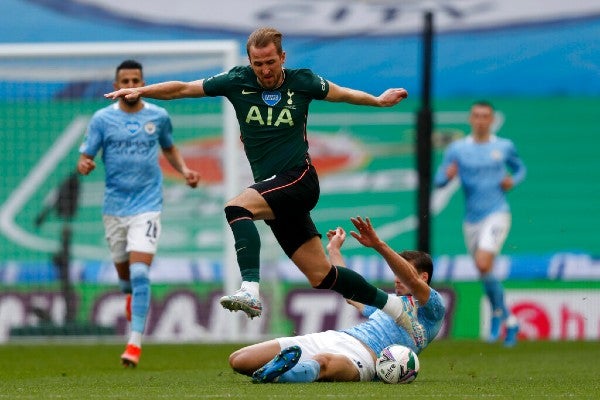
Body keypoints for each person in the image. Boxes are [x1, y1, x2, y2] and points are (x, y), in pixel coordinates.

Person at [104, 27, 412, 326]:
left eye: (270, 62)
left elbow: (342, 94)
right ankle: (394, 306)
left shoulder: (302, 81)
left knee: (237, 207)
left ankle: (250, 289)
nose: (264, 70)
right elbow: (184, 88)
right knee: (322, 275)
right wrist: (142, 91)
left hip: (299, 178)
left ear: (282, 57)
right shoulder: (237, 80)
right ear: (250, 61)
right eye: (258, 64)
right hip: (275, 192)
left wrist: (377, 100)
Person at [78, 59, 200, 367]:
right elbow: (86, 156)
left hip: (147, 206)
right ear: (117, 85)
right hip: (114, 208)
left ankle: (134, 344)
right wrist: (85, 164)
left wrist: (184, 170)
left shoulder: (158, 116)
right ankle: (130, 295)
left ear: (143, 83)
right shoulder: (102, 119)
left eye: (136, 81)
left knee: (141, 273)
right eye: (125, 81)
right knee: (125, 280)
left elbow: (169, 147)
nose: (131, 86)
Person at [228, 216, 446, 383]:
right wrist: (333, 250)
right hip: (336, 338)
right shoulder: (387, 303)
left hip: (367, 358)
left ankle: (281, 375)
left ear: (424, 276)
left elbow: (413, 281)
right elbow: (351, 290)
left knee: (324, 362)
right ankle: (281, 373)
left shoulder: (432, 309)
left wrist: (379, 244)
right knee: (239, 360)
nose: (397, 279)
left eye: (403, 273)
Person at [434, 100, 526, 347]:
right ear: (470, 119)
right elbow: (439, 179)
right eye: (476, 115)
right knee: (484, 271)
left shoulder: (504, 146)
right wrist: (446, 177)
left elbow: (520, 168)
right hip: (471, 220)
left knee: (484, 263)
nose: (481, 120)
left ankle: (499, 316)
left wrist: (512, 181)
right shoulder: (458, 149)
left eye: (485, 116)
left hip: (497, 213)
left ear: (492, 119)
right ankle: (508, 318)